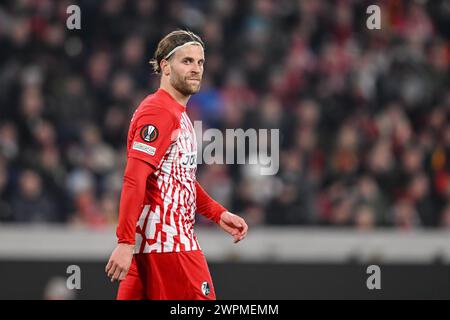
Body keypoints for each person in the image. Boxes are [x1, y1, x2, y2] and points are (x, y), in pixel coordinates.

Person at [105, 30, 248, 300]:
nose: (196, 69)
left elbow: (177, 177)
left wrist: (217, 213)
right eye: (187, 61)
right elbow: (134, 178)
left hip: (151, 248)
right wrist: (124, 241)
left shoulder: (178, 115)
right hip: (170, 245)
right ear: (165, 66)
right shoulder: (158, 111)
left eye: (200, 62)